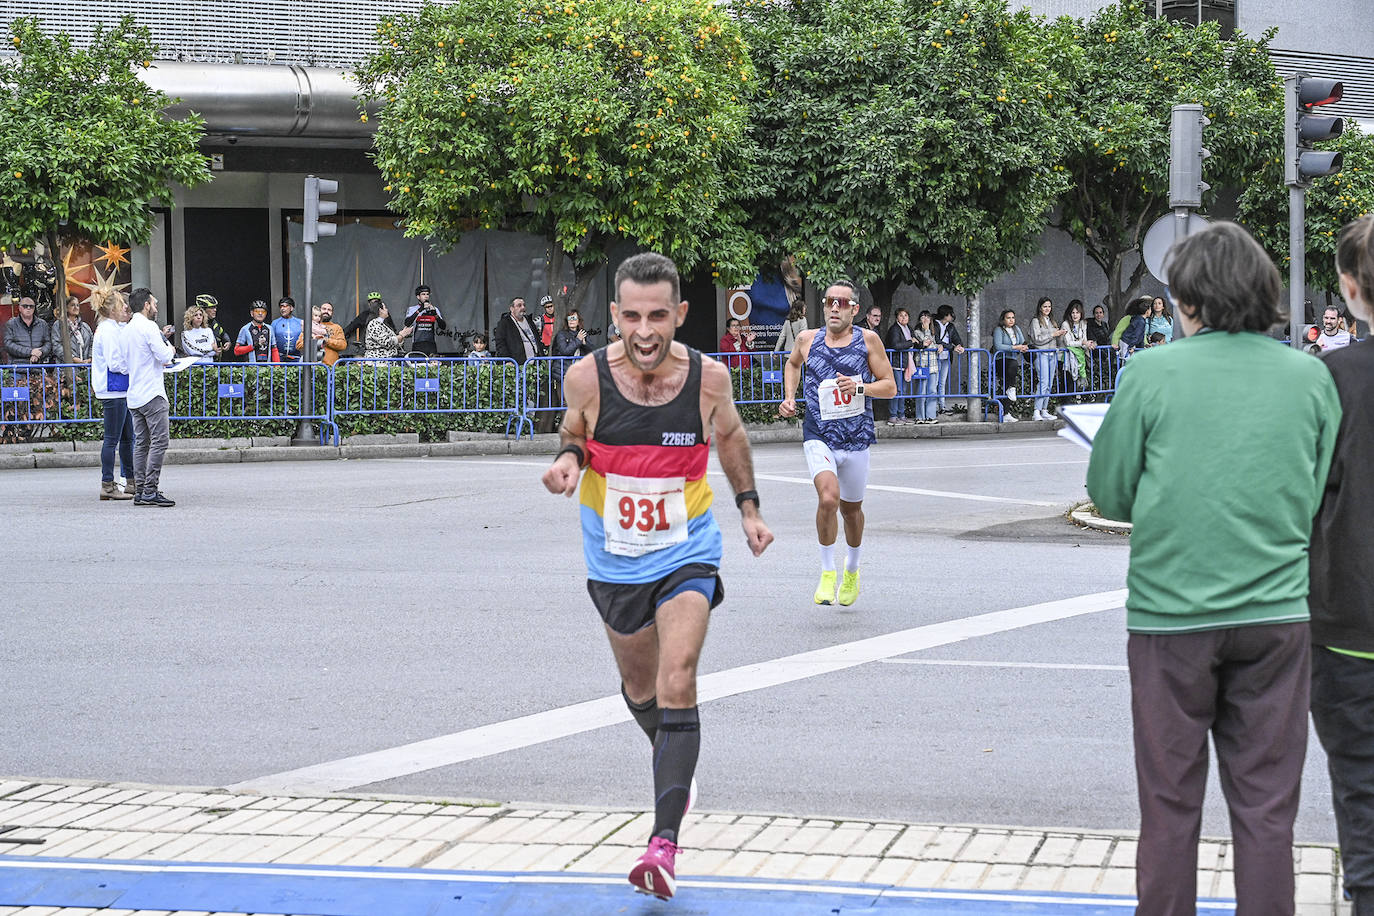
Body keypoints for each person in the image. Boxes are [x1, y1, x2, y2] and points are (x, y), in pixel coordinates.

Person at [1086, 221, 1340, 916]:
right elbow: (1315, 494)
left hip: (1171, 617)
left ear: (1189, 300)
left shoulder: (1151, 371)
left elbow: (1109, 491)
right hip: (1277, 618)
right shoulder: (1309, 376)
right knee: (1266, 809)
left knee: (1169, 805)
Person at [541, 252, 773, 901]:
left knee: (679, 675)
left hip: (685, 552)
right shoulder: (586, 377)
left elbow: (729, 440)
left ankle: (662, 842)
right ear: (616, 315)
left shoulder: (708, 380)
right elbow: (574, 433)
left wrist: (748, 511)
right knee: (641, 685)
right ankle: (676, 760)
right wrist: (566, 461)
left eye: (659, 316)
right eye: (633, 316)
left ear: (681, 315)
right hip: (613, 557)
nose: (645, 331)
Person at [1309, 214, 1374, 915]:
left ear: (1351, 291)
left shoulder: (1332, 380)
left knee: (1364, 805)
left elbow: (1299, 499)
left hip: (1352, 627)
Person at [779, 281, 896, 607]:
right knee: (828, 498)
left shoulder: (868, 341)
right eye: (830, 301)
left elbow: (890, 387)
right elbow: (792, 364)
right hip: (819, 435)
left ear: (854, 309)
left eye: (841, 303)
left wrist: (860, 387)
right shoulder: (807, 339)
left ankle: (852, 570)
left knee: (851, 511)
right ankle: (827, 571)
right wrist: (789, 398)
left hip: (856, 439)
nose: (834, 307)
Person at [126, 288, 179, 508]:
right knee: (160, 442)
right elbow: (165, 356)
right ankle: (150, 489)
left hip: (135, 394)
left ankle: (140, 490)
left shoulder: (127, 328)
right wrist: (170, 346)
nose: (156, 307)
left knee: (142, 444)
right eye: (154, 304)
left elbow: (121, 362)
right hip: (152, 393)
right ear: (146, 305)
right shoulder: (149, 327)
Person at [90, 288, 135, 501]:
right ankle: (107, 484)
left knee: (127, 438)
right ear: (112, 309)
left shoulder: (112, 327)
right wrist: (133, 366)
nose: (126, 308)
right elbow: (115, 363)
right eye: (121, 305)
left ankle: (131, 481)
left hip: (118, 389)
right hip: (113, 389)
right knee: (112, 440)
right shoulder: (107, 330)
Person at [1027, 296, 1064, 421]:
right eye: (1045, 306)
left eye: (1049, 306)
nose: (1047, 308)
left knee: (1049, 383)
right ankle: (1036, 411)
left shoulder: (1052, 321)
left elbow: (1055, 339)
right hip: (1041, 353)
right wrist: (1053, 334)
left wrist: (1060, 334)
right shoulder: (1036, 321)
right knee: (1042, 382)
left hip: (1052, 354)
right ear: (1040, 307)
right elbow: (1037, 339)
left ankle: (1044, 410)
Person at [991, 308, 1028, 422]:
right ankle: (1011, 388)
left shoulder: (1016, 329)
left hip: (1012, 361)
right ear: (1003, 319)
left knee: (1007, 385)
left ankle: (1006, 413)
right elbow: (998, 346)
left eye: (1013, 317)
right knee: (1012, 369)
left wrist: (1024, 347)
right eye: (1008, 318)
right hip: (1001, 360)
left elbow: (1022, 341)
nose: (1011, 320)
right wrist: (1014, 347)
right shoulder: (999, 330)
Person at [883, 307, 917, 425]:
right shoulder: (895, 329)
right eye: (901, 315)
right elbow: (896, 345)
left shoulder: (908, 328)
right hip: (896, 363)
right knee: (897, 390)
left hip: (905, 362)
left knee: (903, 390)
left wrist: (921, 344)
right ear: (897, 317)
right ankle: (893, 416)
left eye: (906, 315)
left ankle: (901, 415)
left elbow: (915, 342)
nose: (904, 318)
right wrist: (911, 343)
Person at [932, 304, 965, 415]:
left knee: (942, 383)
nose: (952, 316)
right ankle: (933, 407)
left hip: (946, 358)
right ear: (946, 315)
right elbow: (936, 340)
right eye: (951, 314)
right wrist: (952, 347)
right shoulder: (934, 324)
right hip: (935, 357)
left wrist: (959, 346)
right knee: (934, 383)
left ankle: (942, 406)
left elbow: (957, 338)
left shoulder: (950, 326)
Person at [494, 296, 542, 364]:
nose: (523, 307)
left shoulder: (529, 321)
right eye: (519, 305)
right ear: (512, 309)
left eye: (524, 305)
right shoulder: (504, 323)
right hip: (516, 365)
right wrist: (507, 361)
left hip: (535, 364)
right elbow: (500, 343)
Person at [4, 296, 51, 364]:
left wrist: (40, 352)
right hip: (17, 368)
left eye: (31, 306)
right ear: (20, 308)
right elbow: (8, 345)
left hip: (38, 366)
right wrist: (30, 352)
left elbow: (48, 343)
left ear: (34, 308)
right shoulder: (11, 324)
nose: (28, 308)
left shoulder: (43, 324)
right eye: (25, 306)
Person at [298, 301, 347, 366]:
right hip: (312, 367)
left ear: (332, 313)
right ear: (319, 311)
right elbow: (298, 345)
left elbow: (343, 345)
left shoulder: (337, 327)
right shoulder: (310, 326)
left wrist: (326, 341)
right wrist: (313, 339)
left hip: (331, 367)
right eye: (324, 309)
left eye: (329, 310)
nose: (326, 311)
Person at [405, 285, 447, 356]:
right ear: (418, 297)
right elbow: (407, 323)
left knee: (433, 366)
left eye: (427, 294)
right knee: (417, 366)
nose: (426, 296)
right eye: (423, 294)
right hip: (417, 343)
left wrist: (435, 315)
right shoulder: (412, 309)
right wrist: (420, 310)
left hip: (431, 344)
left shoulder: (434, 309)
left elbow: (443, 327)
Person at [50, 296, 93, 363]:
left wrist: (90, 359)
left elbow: (92, 344)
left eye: (77, 305)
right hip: (66, 368)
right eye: (72, 305)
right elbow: (56, 346)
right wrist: (73, 359)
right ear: (66, 308)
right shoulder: (58, 325)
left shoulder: (85, 326)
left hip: (85, 367)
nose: (76, 307)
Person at [1060, 301, 1089, 395]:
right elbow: (1068, 343)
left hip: (1080, 356)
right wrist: (1082, 342)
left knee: (1079, 385)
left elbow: (1084, 340)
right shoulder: (1065, 324)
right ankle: (1066, 405)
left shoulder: (1083, 323)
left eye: (1077, 312)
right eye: (1073, 313)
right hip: (1067, 358)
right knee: (1068, 384)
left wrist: (1089, 344)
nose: (1075, 315)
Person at [198, 294, 232, 361]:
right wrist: (213, 351)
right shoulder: (196, 325)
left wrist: (228, 341)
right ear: (203, 309)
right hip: (202, 363)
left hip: (216, 363)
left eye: (215, 307)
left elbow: (223, 333)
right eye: (211, 308)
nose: (215, 310)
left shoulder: (214, 323)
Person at [272, 296, 303, 363]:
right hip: (280, 358)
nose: (282, 308)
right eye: (281, 306)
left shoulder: (300, 322)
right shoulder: (275, 323)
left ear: (291, 308)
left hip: (296, 358)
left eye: (285, 306)